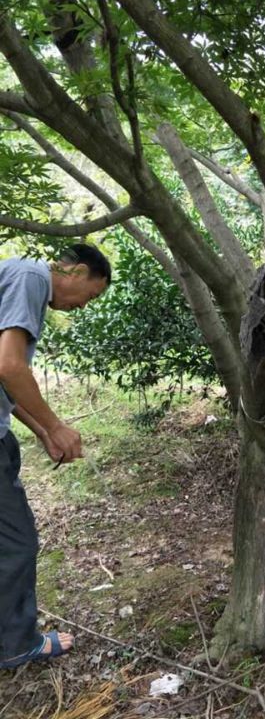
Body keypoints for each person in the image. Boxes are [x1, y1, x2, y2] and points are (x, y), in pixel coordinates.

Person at [0, 243, 110, 670]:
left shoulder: (15, 277)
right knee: (16, 542)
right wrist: (59, 424)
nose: (83, 306)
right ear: (76, 271)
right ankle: (15, 644)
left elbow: (5, 382)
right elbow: (11, 367)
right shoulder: (30, 277)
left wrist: (45, 431)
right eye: (92, 294)